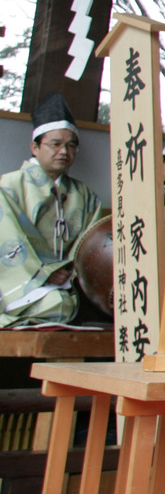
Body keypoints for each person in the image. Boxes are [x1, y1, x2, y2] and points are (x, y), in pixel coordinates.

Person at [0, 93, 105, 327]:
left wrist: (70, 272)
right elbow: (7, 238)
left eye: (71, 145)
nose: (64, 152)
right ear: (35, 147)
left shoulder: (84, 195)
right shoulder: (8, 186)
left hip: (70, 282)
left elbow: (90, 243)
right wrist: (46, 273)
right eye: (55, 144)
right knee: (58, 304)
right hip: (21, 285)